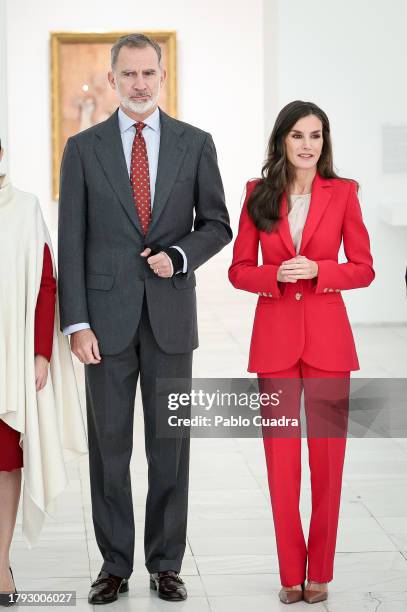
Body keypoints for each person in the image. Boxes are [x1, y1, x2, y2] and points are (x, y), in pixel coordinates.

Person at [58, 33, 232, 605]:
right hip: (103, 327)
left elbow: (216, 224)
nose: (139, 84)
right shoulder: (82, 149)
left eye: (148, 74)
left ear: (162, 77)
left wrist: (178, 256)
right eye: (128, 74)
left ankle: (165, 563)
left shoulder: (194, 144)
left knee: (170, 447)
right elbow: (73, 242)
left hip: (170, 318)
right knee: (109, 448)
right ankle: (113, 565)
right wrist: (76, 322)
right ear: (113, 80)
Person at [229, 101, 374, 605]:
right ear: (282, 141)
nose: (307, 144)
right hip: (275, 344)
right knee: (281, 463)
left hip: (330, 342)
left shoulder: (344, 193)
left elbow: (363, 267)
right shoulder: (257, 194)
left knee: (329, 463)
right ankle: (291, 573)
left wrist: (320, 271)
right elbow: (239, 269)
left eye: (315, 135)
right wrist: (274, 277)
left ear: (324, 141)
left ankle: (322, 573)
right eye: (297, 135)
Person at [0, 141, 87, 606]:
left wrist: (40, 354)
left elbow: (46, 282)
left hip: (10, 360)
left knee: (4, 462)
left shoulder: (25, 209)